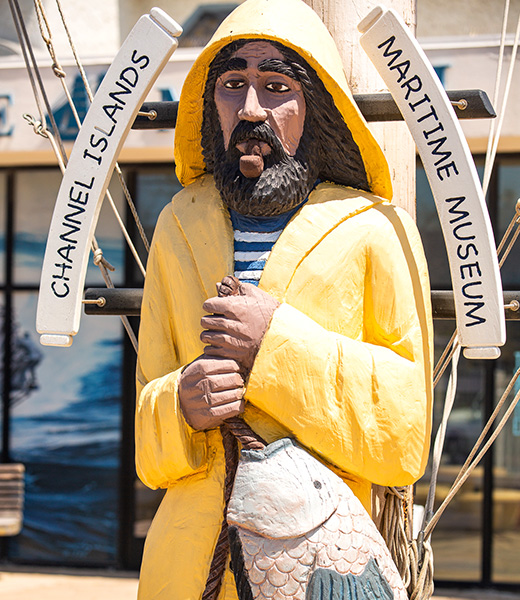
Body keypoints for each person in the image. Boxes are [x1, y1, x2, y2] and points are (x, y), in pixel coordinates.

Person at [134, 0, 433, 598]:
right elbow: (147, 435)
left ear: (315, 103)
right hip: (188, 561)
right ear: (209, 104)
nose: (249, 109)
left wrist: (273, 346)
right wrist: (180, 404)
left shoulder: (376, 228)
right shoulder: (177, 223)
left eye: (276, 86)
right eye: (232, 85)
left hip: (319, 558)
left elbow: (404, 435)